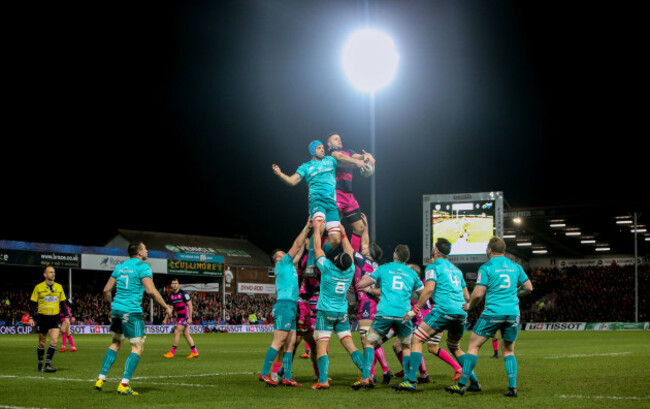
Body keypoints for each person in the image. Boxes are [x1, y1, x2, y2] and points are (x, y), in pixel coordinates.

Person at [446, 236, 533, 398]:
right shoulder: (515, 266)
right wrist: (515, 293)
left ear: (490, 250)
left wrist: (470, 306)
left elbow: (478, 293)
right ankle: (512, 388)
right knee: (508, 350)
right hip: (513, 314)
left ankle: (462, 384)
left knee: (473, 346)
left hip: (493, 313)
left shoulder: (486, 267)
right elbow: (529, 287)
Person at [272, 140, 367, 273]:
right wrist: (280, 174)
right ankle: (310, 265)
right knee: (319, 226)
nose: (322, 150)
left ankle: (319, 259)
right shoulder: (305, 167)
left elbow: (345, 160)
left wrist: (361, 160)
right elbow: (292, 181)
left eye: (323, 147)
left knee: (335, 239)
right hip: (317, 202)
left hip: (331, 204)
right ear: (312, 151)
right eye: (319, 148)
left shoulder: (330, 160)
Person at [93, 242, 173, 395]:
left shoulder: (120, 267)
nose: (147, 250)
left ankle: (100, 378)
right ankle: (124, 384)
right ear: (139, 253)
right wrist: (166, 306)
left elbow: (106, 290)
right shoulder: (143, 267)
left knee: (116, 343)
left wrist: (111, 307)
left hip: (117, 309)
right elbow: (150, 291)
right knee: (137, 347)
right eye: (145, 248)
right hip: (132, 311)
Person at [396, 238, 476, 392]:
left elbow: (429, 288)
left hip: (443, 310)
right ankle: (474, 381)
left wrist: (415, 310)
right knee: (455, 347)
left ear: (436, 251)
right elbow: (467, 296)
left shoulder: (433, 266)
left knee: (416, 339)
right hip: (460, 312)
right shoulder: (457, 271)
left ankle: (412, 381)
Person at [352, 244, 423, 390]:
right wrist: (415, 309)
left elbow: (362, 284)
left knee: (370, 342)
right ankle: (410, 380)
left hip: (385, 312)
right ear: (407, 258)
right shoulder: (412, 273)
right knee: (405, 346)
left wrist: (364, 279)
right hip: (404, 315)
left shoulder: (384, 268)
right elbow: (423, 294)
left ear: (395, 254)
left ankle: (366, 377)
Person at [311, 219, 364, 390]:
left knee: (321, 346)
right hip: (342, 313)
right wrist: (343, 232)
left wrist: (318, 227)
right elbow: (350, 250)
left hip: (325, 312)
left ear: (335, 261)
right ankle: (367, 374)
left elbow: (317, 249)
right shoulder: (350, 271)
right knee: (350, 345)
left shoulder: (327, 268)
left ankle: (323, 380)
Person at [259, 218, 312, 387]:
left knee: (290, 342)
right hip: (284, 305)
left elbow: (299, 250)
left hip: (292, 305)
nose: (287, 255)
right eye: (283, 253)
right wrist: (306, 227)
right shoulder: (282, 264)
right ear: (278, 258)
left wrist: (306, 237)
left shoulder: (290, 266)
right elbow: (296, 246)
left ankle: (287, 376)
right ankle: (265, 373)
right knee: (279, 341)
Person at [326, 132, 375, 251]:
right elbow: (341, 158)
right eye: (335, 139)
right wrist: (358, 162)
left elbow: (356, 156)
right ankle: (317, 258)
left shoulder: (349, 151)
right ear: (329, 144)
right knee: (332, 237)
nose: (339, 140)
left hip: (349, 196)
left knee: (359, 227)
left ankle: (352, 258)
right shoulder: (331, 154)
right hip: (336, 195)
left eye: (340, 138)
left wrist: (367, 157)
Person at [29, 266, 69, 373]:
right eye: (50, 272)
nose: (53, 274)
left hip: (55, 317)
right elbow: (33, 303)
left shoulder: (59, 287)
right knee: (42, 342)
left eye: (54, 272)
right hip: (42, 317)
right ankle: (40, 364)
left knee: (54, 340)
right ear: (45, 275)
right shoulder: (38, 287)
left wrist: (66, 317)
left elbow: (63, 304)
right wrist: (31, 317)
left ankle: (47, 365)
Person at [163, 278, 199, 359]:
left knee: (176, 331)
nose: (174, 284)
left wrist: (190, 317)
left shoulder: (183, 294)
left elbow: (190, 305)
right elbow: (170, 309)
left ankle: (172, 353)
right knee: (186, 334)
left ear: (178, 284)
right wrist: (166, 318)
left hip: (185, 317)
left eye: (176, 283)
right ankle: (194, 352)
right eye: (173, 283)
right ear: (171, 285)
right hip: (179, 317)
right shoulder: (171, 296)